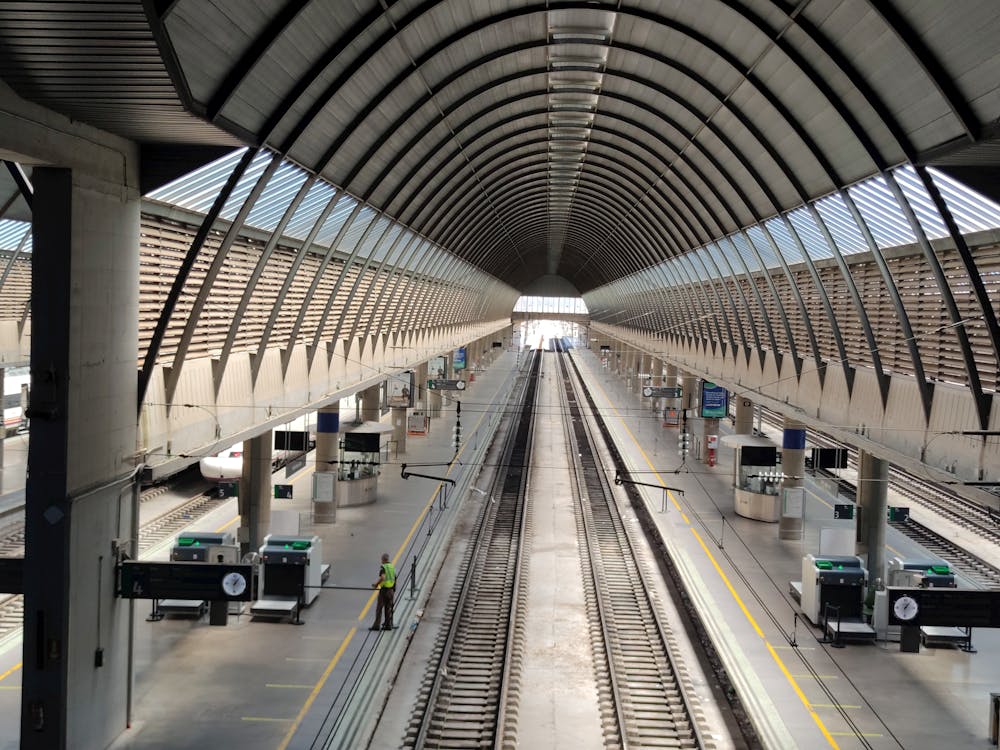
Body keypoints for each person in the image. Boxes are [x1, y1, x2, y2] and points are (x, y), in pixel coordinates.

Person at [370, 552, 396, 631]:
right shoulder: (392, 567)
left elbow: (383, 577)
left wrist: (376, 584)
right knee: (388, 608)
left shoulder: (383, 567)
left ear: (384, 560)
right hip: (391, 590)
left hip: (384, 590)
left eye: (381, 560)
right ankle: (388, 625)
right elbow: (395, 578)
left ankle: (376, 625)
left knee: (379, 608)